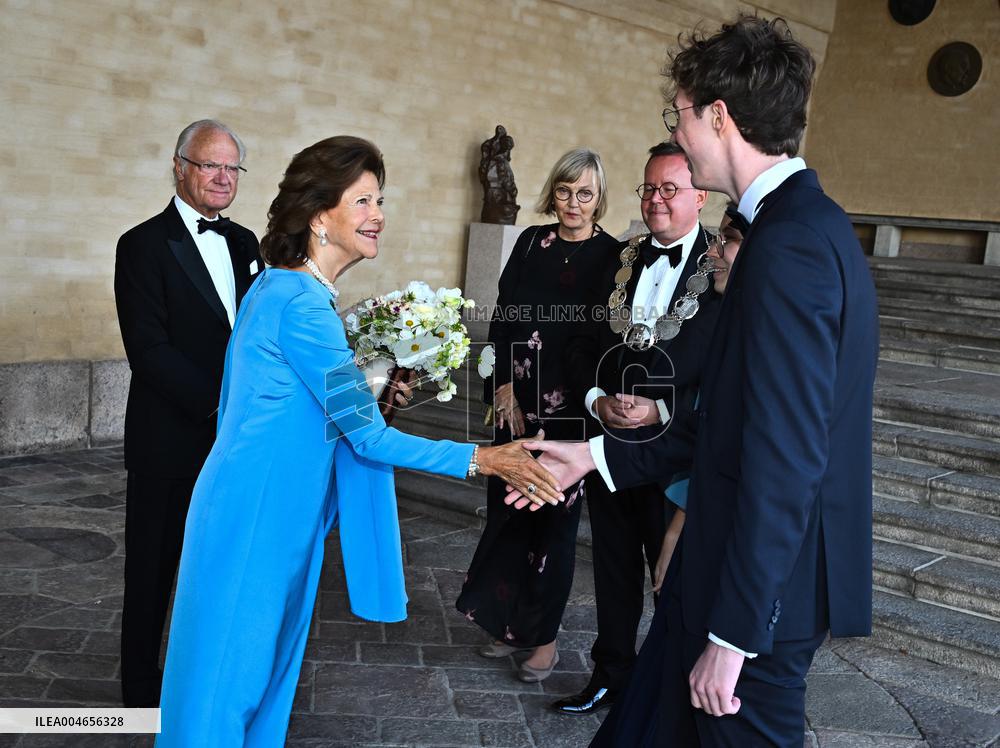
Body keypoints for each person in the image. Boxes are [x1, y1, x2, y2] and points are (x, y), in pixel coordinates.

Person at [513, 15, 879, 746]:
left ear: (718, 115)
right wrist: (598, 455)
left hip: (752, 601)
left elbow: (788, 457)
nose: (675, 133)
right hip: (720, 573)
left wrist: (736, 635)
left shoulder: (790, 246)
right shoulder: (796, 227)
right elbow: (735, 421)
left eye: (677, 115)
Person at [155, 136, 563, 746]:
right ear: (321, 214)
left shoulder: (290, 291)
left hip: (271, 514)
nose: (379, 215)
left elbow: (310, 413)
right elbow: (367, 440)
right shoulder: (300, 304)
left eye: (381, 199)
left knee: (256, 686)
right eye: (364, 200)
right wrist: (483, 457)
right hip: (255, 521)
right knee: (223, 694)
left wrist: (373, 391)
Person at [553, 141, 721, 715]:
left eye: (669, 189)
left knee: (670, 575)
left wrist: (662, 410)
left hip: (675, 456)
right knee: (612, 568)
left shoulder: (721, 270)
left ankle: (670, 692)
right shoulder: (615, 260)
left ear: (700, 195)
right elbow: (580, 346)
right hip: (607, 443)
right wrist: (597, 399)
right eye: (648, 189)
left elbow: (720, 369)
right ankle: (611, 676)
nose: (655, 200)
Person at [113, 119, 262, 707]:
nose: (223, 178)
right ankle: (141, 697)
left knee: (225, 567)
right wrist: (219, 407)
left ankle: (209, 679)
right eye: (210, 165)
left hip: (238, 443)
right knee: (151, 573)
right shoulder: (142, 244)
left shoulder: (248, 243)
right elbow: (148, 351)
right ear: (180, 167)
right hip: (169, 441)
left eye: (232, 168)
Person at [456, 148, 619, 682]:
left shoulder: (614, 257)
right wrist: (501, 385)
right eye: (566, 191)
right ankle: (508, 628)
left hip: (571, 413)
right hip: (515, 403)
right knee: (508, 518)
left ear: (599, 199)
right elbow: (503, 316)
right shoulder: (529, 243)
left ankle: (543, 640)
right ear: (554, 192)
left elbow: (602, 340)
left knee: (553, 526)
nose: (573, 203)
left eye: (586, 194)